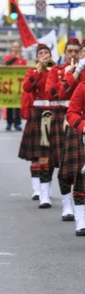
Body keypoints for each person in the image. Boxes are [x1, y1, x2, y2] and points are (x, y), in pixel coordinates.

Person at [45, 37, 81, 216]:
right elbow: (54, 94)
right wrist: (70, 73)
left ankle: (79, 203)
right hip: (61, 118)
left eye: (76, 51)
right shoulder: (56, 71)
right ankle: (67, 205)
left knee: (80, 164)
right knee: (63, 163)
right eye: (70, 51)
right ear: (64, 53)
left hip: (80, 119)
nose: (73, 54)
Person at [18, 44, 54, 205]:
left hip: (53, 113)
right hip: (37, 113)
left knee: (49, 155)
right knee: (37, 155)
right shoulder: (32, 72)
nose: (44, 55)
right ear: (37, 57)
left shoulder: (55, 70)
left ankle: (46, 188)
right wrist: (39, 70)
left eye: (47, 53)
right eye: (41, 53)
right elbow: (27, 87)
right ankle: (37, 189)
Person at [66, 53, 85, 236]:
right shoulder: (82, 87)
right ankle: (80, 219)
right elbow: (72, 112)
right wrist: (83, 127)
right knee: (82, 180)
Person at [4, 41, 27, 131]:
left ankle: (17, 123)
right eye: (14, 47)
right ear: (12, 48)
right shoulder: (7, 57)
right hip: (9, 85)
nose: (16, 49)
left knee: (18, 105)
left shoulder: (23, 60)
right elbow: (7, 64)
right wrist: (15, 58)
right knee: (9, 105)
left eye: (17, 47)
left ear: (20, 49)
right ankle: (9, 123)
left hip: (18, 86)